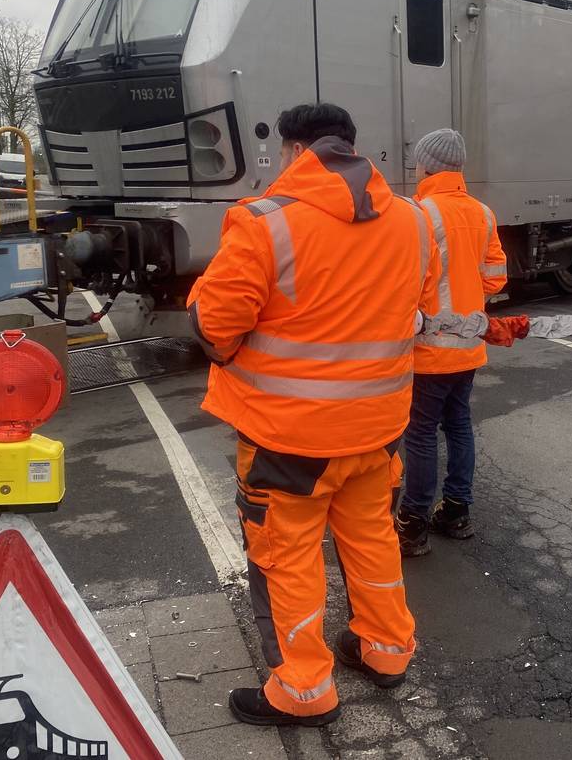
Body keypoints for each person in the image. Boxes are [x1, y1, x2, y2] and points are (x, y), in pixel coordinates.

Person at [187, 103, 439, 728]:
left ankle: (303, 690)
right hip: (378, 428)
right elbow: (418, 310)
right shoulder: (411, 220)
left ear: (296, 152)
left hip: (288, 438)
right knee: (372, 539)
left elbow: (216, 327)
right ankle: (385, 650)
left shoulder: (263, 223)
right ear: (351, 147)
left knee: (287, 555)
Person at [395, 129, 507, 557]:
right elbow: (496, 276)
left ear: (427, 165)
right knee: (458, 425)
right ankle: (456, 512)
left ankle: (413, 524)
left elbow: (406, 282)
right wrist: (467, 294)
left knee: (421, 433)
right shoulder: (483, 213)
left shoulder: (419, 213)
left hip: (428, 348)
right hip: (469, 344)